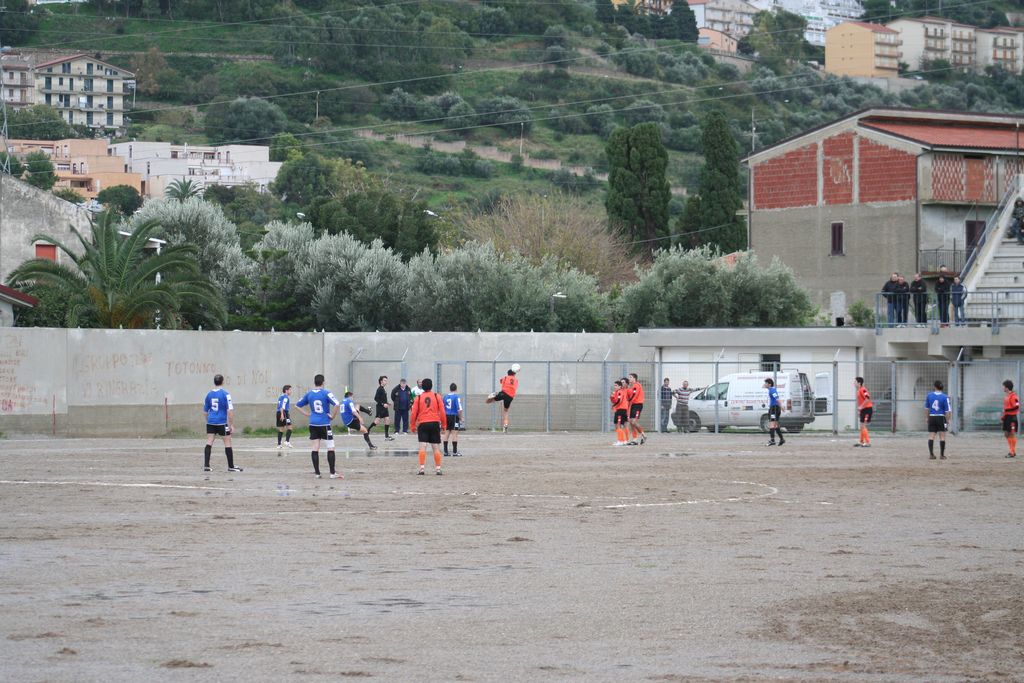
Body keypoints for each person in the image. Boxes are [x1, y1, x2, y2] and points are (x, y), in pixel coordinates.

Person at [294, 374, 342, 479]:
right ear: (323, 382)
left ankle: (317, 473)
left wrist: (307, 414)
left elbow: (297, 405)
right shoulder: (326, 393)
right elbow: (337, 404)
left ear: (314, 382)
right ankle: (332, 473)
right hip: (324, 424)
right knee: (330, 447)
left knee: (315, 448)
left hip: (313, 424)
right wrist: (333, 416)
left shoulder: (309, 394)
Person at [203, 373, 241, 472]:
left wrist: (208, 421)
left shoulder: (209, 394)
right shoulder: (226, 394)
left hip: (211, 422)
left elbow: (205, 412)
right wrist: (231, 424)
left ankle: (206, 465)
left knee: (209, 441)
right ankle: (231, 466)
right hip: (221, 422)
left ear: (214, 382)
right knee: (227, 442)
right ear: (223, 382)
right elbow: (230, 411)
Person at [411, 377, 445, 475]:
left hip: (423, 423)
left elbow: (413, 413)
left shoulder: (418, 398)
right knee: (435, 447)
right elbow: (442, 411)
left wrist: (412, 425)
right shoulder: (437, 396)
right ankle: (438, 469)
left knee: (422, 446)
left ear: (422, 387)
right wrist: (444, 425)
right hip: (434, 423)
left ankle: (422, 469)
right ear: (431, 386)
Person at [485, 364, 519, 433]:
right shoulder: (516, 380)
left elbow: (500, 381)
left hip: (503, 393)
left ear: (508, 373)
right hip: (510, 397)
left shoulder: (505, 377)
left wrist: (504, 381)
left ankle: (492, 396)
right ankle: (505, 426)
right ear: (514, 374)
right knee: (506, 411)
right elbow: (515, 386)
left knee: (488, 401)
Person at [925, 380, 951, 460]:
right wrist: (947, 420)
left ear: (935, 387)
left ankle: (931, 454)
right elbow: (947, 411)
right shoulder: (945, 397)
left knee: (931, 436)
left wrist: (927, 417)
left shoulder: (929, 395)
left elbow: (926, 408)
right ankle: (942, 455)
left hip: (932, 417)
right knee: (942, 436)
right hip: (941, 417)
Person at [368, 375, 394, 441]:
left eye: (386, 380)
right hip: (380, 408)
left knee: (387, 420)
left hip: (385, 408)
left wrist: (387, 403)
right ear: (381, 381)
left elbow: (382, 398)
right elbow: (376, 398)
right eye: (385, 380)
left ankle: (386, 436)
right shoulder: (379, 389)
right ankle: (367, 430)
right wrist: (383, 404)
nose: (386, 382)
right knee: (377, 421)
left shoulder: (383, 389)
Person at [443, 382, 464, 457]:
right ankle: (455, 452)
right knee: (454, 433)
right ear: (456, 389)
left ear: (450, 389)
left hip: (446, 416)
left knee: (446, 433)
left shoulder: (445, 397)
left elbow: (443, 408)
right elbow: (459, 409)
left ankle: (445, 452)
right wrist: (461, 417)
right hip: (454, 416)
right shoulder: (456, 397)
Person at [625, 373, 646, 445]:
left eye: (630, 377)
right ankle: (635, 440)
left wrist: (628, 402)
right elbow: (629, 396)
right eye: (629, 377)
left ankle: (643, 435)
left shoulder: (637, 385)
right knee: (631, 422)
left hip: (638, 405)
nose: (629, 378)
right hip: (633, 405)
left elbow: (634, 396)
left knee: (633, 422)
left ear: (634, 378)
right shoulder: (631, 387)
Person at [764, 377, 785, 447]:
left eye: (766, 383)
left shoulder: (772, 390)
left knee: (772, 424)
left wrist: (781, 405)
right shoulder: (771, 389)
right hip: (774, 408)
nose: (765, 384)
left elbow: (777, 398)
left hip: (774, 409)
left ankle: (772, 440)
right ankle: (781, 439)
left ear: (769, 384)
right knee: (775, 425)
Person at [853, 377, 872, 448]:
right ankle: (861, 442)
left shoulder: (863, 389)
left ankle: (867, 442)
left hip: (867, 409)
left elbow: (867, 398)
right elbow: (861, 401)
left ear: (859, 383)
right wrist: (860, 410)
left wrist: (861, 407)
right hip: (863, 410)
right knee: (861, 426)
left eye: (855, 382)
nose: (854, 383)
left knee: (863, 426)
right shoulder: (858, 391)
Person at [610, 379, 630, 447]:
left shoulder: (619, 392)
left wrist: (614, 405)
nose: (615, 387)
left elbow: (619, 401)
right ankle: (623, 440)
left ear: (620, 386)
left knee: (618, 425)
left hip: (620, 410)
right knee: (619, 425)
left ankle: (620, 441)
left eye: (616, 385)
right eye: (614, 385)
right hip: (622, 410)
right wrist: (612, 397)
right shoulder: (617, 392)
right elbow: (614, 400)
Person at [1002, 379, 1019, 459]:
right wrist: (1004, 415)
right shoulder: (1007, 396)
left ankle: (1012, 452)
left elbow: (1017, 406)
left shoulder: (1013, 396)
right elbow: (1006, 408)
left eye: (1004, 387)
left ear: (1007, 387)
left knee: (1011, 434)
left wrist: (1007, 410)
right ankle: (1012, 451)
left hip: (1012, 418)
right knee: (1006, 434)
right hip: (1007, 417)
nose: (1003, 388)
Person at [276, 384, 293, 451]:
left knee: (281, 429)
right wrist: (282, 414)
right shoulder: (285, 397)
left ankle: (279, 444)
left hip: (278, 412)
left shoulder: (281, 396)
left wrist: (280, 414)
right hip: (284, 412)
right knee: (290, 427)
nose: (291, 391)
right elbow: (282, 406)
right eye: (290, 390)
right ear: (286, 390)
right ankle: (287, 441)